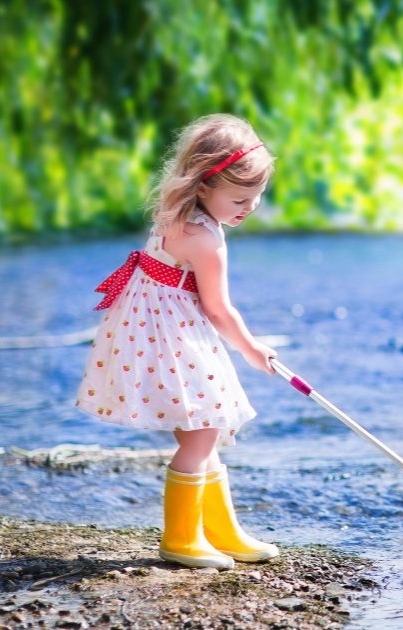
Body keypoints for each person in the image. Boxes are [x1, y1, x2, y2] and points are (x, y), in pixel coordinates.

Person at [75, 113, 279, 569]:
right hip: (174, 333)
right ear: (204, 186)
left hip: (151, 328)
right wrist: (252, 349)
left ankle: (221, 530)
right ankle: (182, 539)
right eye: (241, 198)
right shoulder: (205, 239)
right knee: (202, 432)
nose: (251, 207)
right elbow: (219, 309)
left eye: (257, 196)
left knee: (202, 431)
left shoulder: (178, 211)